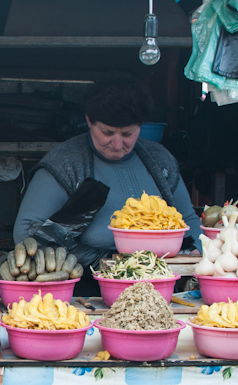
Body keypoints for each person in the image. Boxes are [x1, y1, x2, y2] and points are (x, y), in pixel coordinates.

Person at [13, 74, 202, 270]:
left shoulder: (159, 160)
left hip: (160, 279)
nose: (118, 144)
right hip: (86, 287)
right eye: (107, 133)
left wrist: (195, 249)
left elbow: (188, 220)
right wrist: (106, 262)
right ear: (89, 121)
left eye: (128, 134)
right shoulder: (66, 164)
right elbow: (27, 233)